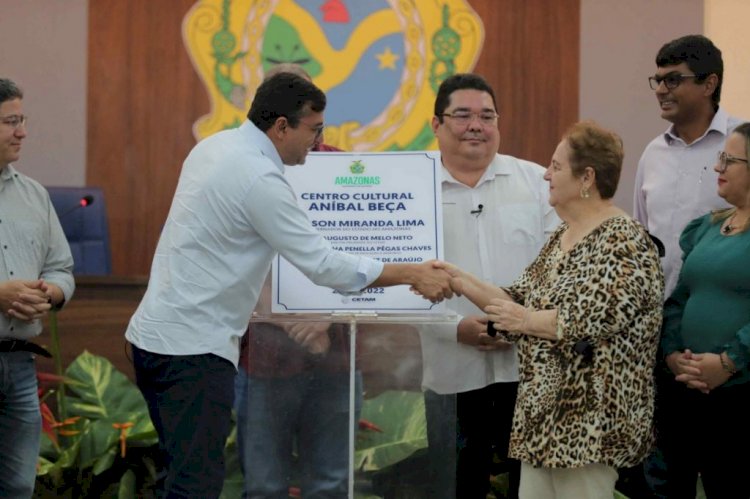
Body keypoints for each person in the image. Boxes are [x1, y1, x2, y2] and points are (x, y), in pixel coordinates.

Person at [125, 72, 453, 498]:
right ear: (281, 126)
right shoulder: (259, 177)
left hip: (156, 339)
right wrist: (410, 272)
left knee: (180, 476)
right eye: (313, 130)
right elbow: (324, 265)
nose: (317, 142)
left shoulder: (214, 147)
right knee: (195, 485)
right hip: (192, 352)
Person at [435, 121, 663, 499]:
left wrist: (522, 320)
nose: (545, 175)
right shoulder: (562, 234)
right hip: (543, 421)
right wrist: (455, 278)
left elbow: (593, 318)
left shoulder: (626, 240)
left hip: (591, 423)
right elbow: (517, 298)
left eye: (556, 167)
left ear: (586, 177)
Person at [419, 73, 559, 499]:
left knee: (529, 485)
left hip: (527, 368)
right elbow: (400, 276)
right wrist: (453, 328)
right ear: (436, 125)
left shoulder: (538, 183)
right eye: (462, 115)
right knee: (458, 483)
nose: (475, 125)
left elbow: (559, 267)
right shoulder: (413, 191)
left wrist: (516, 321)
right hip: (451, 366)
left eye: (486, 115)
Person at [234, 63, 356, 499]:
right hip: (264, 357)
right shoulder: (241, 168)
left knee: (333, 484)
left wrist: (324, 316)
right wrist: (292, 318)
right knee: (264, 484)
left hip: (336, 353)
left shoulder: (343, 168)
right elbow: (236, 257)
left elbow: (363, 250)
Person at [633, 34, 744, 497]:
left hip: (734, 359)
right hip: (666, 342)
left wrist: (730, 359)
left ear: (709, 82)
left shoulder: (744, 145)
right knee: (665, 476)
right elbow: (644, 247)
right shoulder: (652, 155)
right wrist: (669, 346)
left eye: (672, 79)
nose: (661, 88)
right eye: (656, 79)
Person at [658, 122, 750, 499]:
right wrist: (674, 354)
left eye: (729, 159)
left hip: (740, 398)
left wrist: (728, 362)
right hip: (686, 393)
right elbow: (679, 299)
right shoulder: (709, 228)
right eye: (719, 157)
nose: (718, 167)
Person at [0, 78, 75, 497]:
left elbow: (62, 268)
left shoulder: (34, 195)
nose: (22, 131)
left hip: (20, 369)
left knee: (18, 487)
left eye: (22, 119)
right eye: (11, 121)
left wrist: (50, 294)